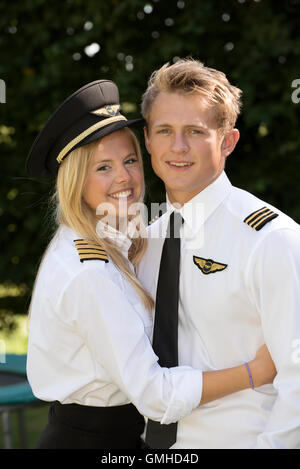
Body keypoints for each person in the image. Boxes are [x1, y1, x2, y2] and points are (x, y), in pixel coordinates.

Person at [26, 79, 276, 449]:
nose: (124, 177)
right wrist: (255, 372)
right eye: (103, 167)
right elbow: (155, 395)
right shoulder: (89, 272)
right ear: (75, 178)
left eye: (129, 161)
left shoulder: (119, 245)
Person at [137, 58, 300, 449]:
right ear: (147, 140)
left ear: (227, 141)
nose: (178, 147)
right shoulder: (145, 242)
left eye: (195, 131)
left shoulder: (271, 239)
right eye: (164, 131)